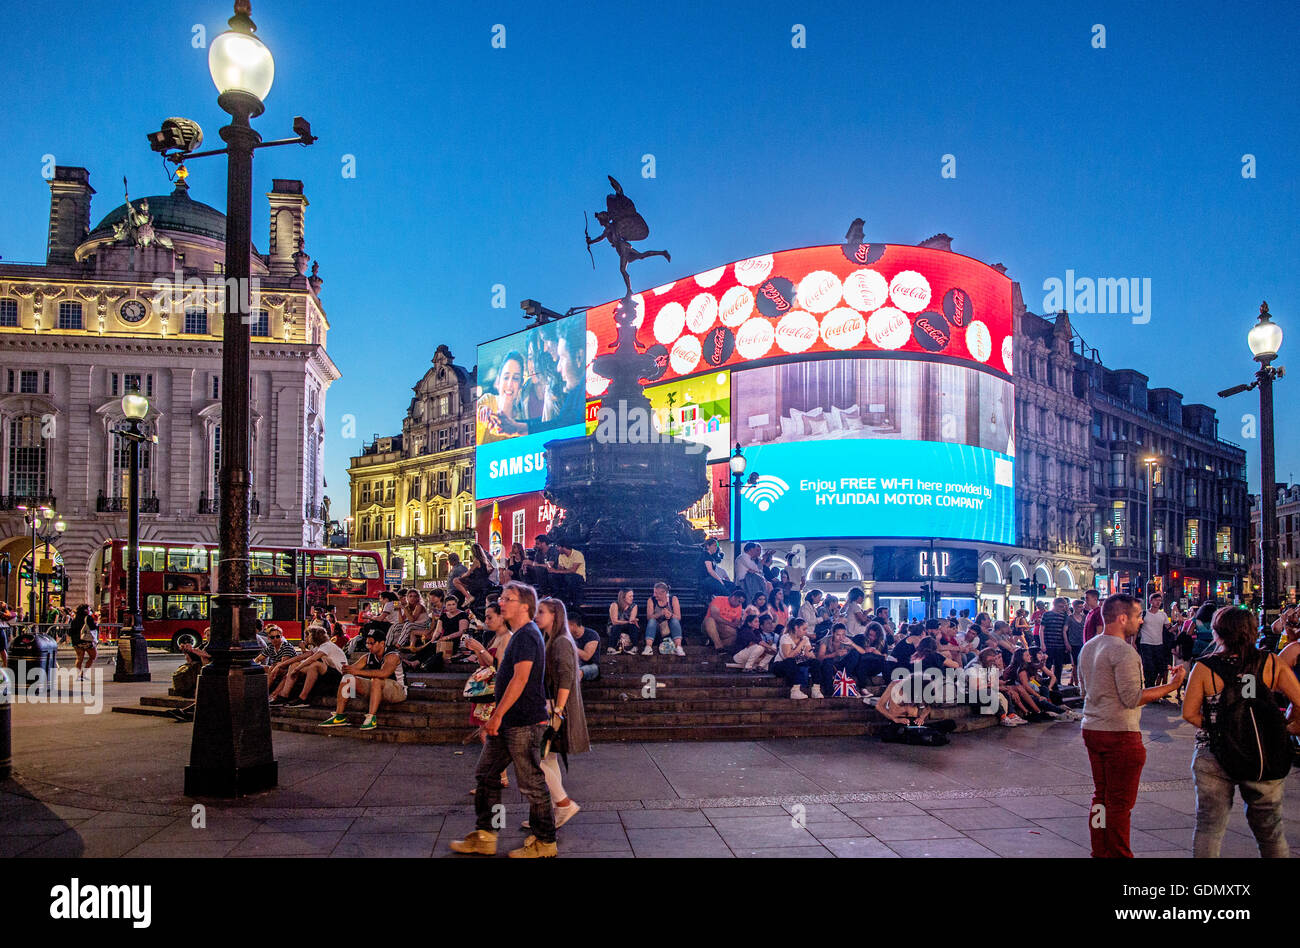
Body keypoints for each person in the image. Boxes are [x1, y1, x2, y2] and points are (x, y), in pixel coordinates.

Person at [1181, 605, 1300, 858]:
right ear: (1252, 631)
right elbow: (1299, 700)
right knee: (1270, 831)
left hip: (1214, 752)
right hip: (1263, 752)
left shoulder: (1204, 667)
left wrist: (1221, 728)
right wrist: (1289, 725)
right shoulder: (1271, 663)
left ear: (1217, 633)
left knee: (1209, 828)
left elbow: (1189, 713)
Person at [450, 581, 558, 858]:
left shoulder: (526, 636)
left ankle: (545, 842)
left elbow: (520, 679)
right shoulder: (520, 634)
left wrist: (496, 715)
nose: (502, 602)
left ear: (525, 607)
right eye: (502, 598)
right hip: (510, 721)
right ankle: (485, 835)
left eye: (508, 598)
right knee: (486, 774)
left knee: (532, 783)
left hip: (523, 722)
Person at [1075, 594, 1187, 858]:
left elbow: (1083, 690)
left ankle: (1099, 850)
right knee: (1120, 803)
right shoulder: (1124, 652)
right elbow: (1133, 697)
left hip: (1093, 727)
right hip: (1119, 732)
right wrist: (1172, 687)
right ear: (1122, 617)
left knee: (1100, 798)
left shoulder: (1089, 647)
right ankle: (1118, 853)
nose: (1140, 621)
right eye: (1137, 616)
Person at [531, 596, 588, 831]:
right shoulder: (551, 639)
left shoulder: (561, 642)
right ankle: (557, 809)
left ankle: (563, 804)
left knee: (538, 758)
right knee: (547, 757)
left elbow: (566, 678)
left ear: (555, 615)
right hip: (553, 705)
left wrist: (557, 711)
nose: (537, 615)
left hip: (557, 707)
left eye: (541, 611)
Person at [319, 626, 407, 731]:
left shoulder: (392, 655)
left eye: (371, 643)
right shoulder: (368, 656)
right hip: (377, 688)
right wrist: (344, 668)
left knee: (377, 679)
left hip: (398, 690)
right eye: (367, 643)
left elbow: (384, 673)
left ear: (382, 643)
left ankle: (371, 717)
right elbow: (353, 669)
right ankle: (339, 716)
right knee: (348, 678)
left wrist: (357, 672)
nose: (368, 646)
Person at [460, 602, 513, 748]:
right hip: (487, 688)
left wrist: (481, 649)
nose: (487, 621)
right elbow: (484, 665)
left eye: (490, 618)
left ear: (501, 618)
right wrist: (476, 649)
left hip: (497, 689)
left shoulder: (508, 637)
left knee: (488, 733)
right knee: (486, 732)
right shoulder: (495, 637)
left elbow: (499, 667)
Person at [270, 627, 347, 707]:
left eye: (306, 636)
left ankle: (303, 698)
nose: (305, 638)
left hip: (339, 675)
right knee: (294, 664)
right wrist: (281, 665)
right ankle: (284, 695)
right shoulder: (319, 647)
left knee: (315, 665)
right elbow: (301, 657)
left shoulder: (327, 646)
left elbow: (312, 659)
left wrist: (297, 669)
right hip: (329, 672)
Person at [772, 617, 827, 700]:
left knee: (815, 662)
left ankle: (816, 689)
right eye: (804, 629)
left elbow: (810, 654)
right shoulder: (785, 637)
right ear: (796, 628)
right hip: (781, 665)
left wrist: (810, 654)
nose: (806, 632)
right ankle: (795, 690)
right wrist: (801, 644)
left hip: (798, 662)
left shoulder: (805, 639)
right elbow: (788, 656)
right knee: (791, 661)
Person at [1137, 592, 1170, 689]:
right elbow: (1137, 628)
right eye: (1156, 600)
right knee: (1148, 666)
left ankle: (1152, 687)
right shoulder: (1144, 613)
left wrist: (1178, 624)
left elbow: (1169, 628)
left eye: (1160, 600)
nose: (1158, 602)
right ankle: (1148, 687)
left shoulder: (1163, 615)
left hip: (1158, 644)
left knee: (1157, 667)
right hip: (1145, 643)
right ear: (1151, 601)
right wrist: (1133, 642)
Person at [1039, 597, 1073, 685]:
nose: (1061, 608)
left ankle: (1057, 683)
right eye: (1060, 606)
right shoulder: (1046, 614)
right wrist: (1042, 644)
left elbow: (1066, 630)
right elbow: (1041, 629)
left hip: (1060, 644)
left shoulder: (1064, 615)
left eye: (1063, 606)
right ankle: (1045, 683)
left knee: (1058, 665)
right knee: (1047, 664)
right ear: (1054, 605)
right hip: (1048, 643)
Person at [644, 582, 684, 656]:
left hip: (670, 628)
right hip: (657, 629)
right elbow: (649, 617)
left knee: (675, 620)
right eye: (654, 592)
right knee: (652, 621)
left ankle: (678, 647)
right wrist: (660, 613)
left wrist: (670, 615)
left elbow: (678, 617)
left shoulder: (673, 599)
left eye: (656, 593)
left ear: (664, 593)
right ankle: (648, 647)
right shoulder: (651, 600)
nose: (654, 595)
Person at [550, 540, 586, 606]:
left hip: (578, 577)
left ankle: (573, 602)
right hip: (566, 576)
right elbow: (560, 569)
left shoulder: (577, 554)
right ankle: (558, 600)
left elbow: (573, 570)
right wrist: (554, 571)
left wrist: (556, 571)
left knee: (570, 577)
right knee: (554, 576)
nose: (557, 549)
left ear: (563, 547)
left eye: (558, 547)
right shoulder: (561, 556)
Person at [69, 604, 98, 681]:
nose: (90, 611)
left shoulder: (75, 619)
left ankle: (78, 675)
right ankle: (83, 674)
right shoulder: (88, 618)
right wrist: (96, 624)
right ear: (85, 610)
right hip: (86, 641)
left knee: (79, 658)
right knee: (93, 656)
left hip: (77, 642)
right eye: (89, 609)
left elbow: (71, 631)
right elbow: (93, 627)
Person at [605, 588, 639, 654]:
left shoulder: (634, 606)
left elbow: (631, 621)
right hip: (614, 627)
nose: (632, 598)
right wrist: (628, 622)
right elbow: (614, 621)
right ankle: (611, 648)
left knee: (633, 626)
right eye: (630, 596)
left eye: (632, 596)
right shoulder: (614, 605)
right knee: (617, 626)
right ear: (623, 597)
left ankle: (635, 647)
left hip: (627, 627)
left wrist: (633, 621)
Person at [570, 611, 601, 681]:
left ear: (574, 625)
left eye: (566, 625)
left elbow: (586, 656)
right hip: (573, 665)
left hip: (591, 667)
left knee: (579, 672)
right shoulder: (567, 635)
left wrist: (571, 646)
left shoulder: (592, 635)